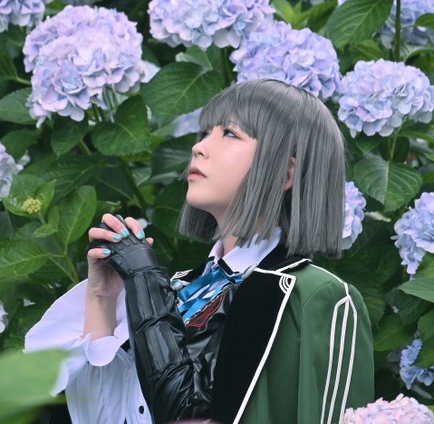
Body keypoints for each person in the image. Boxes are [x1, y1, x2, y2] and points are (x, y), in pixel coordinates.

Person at [26, 79, 374, 424]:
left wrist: (144, 279)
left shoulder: (315, 296)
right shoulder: (183, 288)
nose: (199, 147)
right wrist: (102, 299)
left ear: (285, 173)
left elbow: (184, 412)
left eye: (230, 133)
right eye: (205, 132)